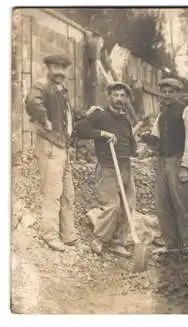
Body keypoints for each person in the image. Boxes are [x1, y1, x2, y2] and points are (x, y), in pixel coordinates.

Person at [25, 53, 84, 252]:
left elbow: (69, 115)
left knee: (68, 194)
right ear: (48, 68)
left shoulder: (62, 91)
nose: (59, 72)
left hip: (62, 146)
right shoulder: (42, 86)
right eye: (55, 68)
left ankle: (68, 235)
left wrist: (86, 114)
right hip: (50, 145)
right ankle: (49, 234)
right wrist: (43, 118)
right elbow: (33, 102)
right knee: (52, 193)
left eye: (63, 68)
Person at [140, 77, 188, 264]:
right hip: (162, 162)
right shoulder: (162, 115)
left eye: (171, 92)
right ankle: (172, 245)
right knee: (163, 204)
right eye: (164, 92)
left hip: (178, 161)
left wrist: (185, 166)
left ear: (178, 93)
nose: (167, 95)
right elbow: (157, 141)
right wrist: (147, 139)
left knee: (183, 206)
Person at [75, 82, 137, 257]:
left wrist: (135, 149)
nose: (119, 99)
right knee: (112, 206)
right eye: (116, 95)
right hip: (108, 167)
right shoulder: (100, 116)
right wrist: (103, 134)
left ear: (127, 98)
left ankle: (119, 242)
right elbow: (80, 128)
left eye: (122, 96)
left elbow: (130, 140)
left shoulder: (125, 119)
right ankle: (99, 238)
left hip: (125, 166)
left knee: (128, 204)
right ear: (109, 96)